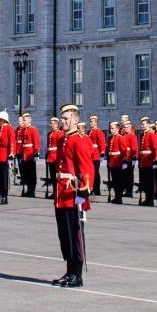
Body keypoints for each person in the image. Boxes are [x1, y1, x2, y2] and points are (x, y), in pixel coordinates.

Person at [51, 105, 96, 288]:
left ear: (76, 120)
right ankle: (70, 270)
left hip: (73, 193)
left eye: (67, 119)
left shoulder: (80, 140)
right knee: (65, 236)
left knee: (74, 235)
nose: (63, 122)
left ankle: (76, 274)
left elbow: (87, 167)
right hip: (62, 193)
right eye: (62, 119)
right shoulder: (63, 139)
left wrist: (84, 192)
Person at [16, 112, 40, 197]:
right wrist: (21, 154)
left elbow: (36, 142)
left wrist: (36, 153)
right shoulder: (23, 130)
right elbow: (22, 143)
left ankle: (32, 191)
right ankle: (28, 190)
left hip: (30, 154)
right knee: (26, 173)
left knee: (31, 174)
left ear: (30, 120)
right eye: (23, 120)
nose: (24, 121)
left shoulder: (33, 129)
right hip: (25, 154)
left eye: (25, 120)